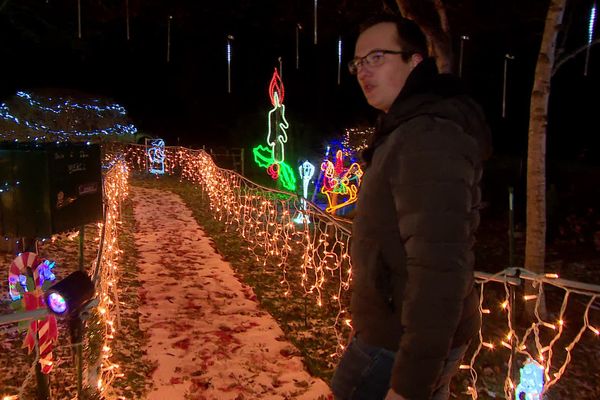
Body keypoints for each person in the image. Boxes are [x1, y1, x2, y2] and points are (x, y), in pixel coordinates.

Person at [330, 13, 492, 400]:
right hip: (393, 328)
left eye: (377, 57)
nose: (363, 72)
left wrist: (408, 384)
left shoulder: (429, 135)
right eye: (357, 63)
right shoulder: (405, 127)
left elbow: (439, 269)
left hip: (397, 341)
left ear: (415, 61)